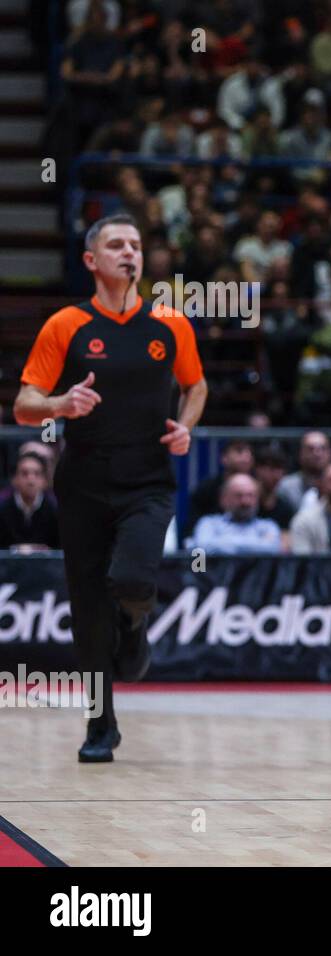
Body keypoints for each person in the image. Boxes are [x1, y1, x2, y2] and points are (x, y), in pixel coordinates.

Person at [13, 212, 207, 762]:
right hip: (83, 485)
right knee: (88, 613)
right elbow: (25, 405)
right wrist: (60, 403)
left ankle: (135, 624)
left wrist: (186, 426)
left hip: (147, 481)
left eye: (137, 245)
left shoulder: (170, 323)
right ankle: (101, 726)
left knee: (130, 579)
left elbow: (196, 385)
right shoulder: (66, 324)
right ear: (91, 261)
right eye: (116, 245)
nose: (130, 253)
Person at [190, 474, 284, 554]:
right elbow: (202, 549)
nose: (245, 502)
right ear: (224, 499)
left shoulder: (268, 526)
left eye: (250, 495)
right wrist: (256, 543)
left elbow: (272, 548)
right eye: (239, 496)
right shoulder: (209, 523)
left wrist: (222, 542)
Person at [0, 451, 61, 551]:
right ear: (14, 479)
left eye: (37, 474)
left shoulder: (55, 511)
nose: (31, 480)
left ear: (45, 481)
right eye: (24, 473)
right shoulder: (2, 510)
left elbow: (60, 549)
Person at [277, 430, 331, 511]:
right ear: (301, 453)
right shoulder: (286, 487)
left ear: (330, 454)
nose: (317, 453)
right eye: (311, 449)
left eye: (322, 448)